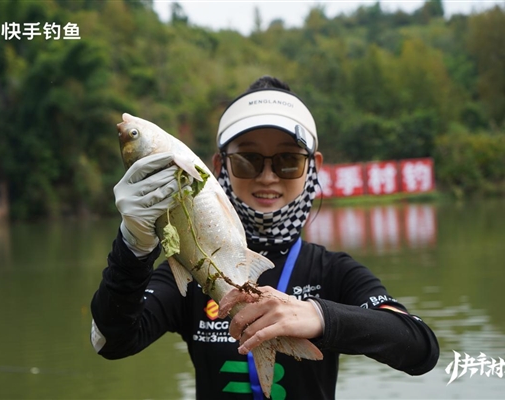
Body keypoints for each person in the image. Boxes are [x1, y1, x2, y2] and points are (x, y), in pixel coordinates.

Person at [90, 76, 439, 400]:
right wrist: (132, 246)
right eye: (247, 160)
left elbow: (420, 347)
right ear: (219, 166)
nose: (268, 176)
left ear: (312, 167)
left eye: (288, 160)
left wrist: (321, 316)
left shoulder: (332, 271)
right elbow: (111, 341)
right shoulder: (189, 270)